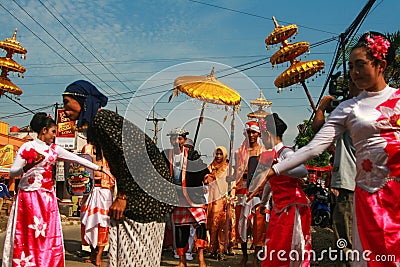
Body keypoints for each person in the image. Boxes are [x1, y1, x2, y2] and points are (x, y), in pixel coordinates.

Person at [250, 32, 399, 266]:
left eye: (360, 65)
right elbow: (313, 148)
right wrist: (272, 171)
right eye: (351, 67)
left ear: (380, 64)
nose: (354, 73)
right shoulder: (349, 108)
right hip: (369, 195)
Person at [62, 80, 177, 266]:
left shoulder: (102, 121)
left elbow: (131, 157)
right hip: (151, 191)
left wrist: (123, 196)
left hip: (145, 194)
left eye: (67, 102)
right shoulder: (100, 124)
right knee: (136, 250)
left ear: (82, 101)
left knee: (135, 252)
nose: (65, 109)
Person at [2, 112, 106, 267]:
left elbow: (76, 158)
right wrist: (28, 166)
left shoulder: (54, 149)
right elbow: (13, 172)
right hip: (28, 197)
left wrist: (98, 167)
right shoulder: (27, 146)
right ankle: (27, 261)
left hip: (46, 198)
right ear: (44, 130)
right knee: (29, 232)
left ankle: (45, 262)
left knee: (46, 233)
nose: (54, 136)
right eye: (52, 132)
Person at [311, 79, 363, 267]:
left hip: (349, 185)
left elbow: (317, 128)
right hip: (363, 184)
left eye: (352, 82)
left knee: (344, 242)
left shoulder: (351, 110)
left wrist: (321, 108)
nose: (348, 87)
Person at [257, 113, 311, 266]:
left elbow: (302, 171)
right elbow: (270, 181)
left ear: (268, 134)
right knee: (274, 247)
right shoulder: (272, 155)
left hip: (292, 207)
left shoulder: (286, 153)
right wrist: (263, 203)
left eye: (262, 135)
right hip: (279, 208)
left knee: (289, 248)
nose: (261, 138)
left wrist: (277, 168)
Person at [164, 128, 209, 267]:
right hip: (177, 197)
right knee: (181, 229)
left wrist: (206, 176)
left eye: (179, 139)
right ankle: (182, 261)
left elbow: (203, 169)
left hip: (194, 196)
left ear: (184, 140)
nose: (176, 141)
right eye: (173, 138)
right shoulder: (166, 155)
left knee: (201, 223)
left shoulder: (192, 155)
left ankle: (200, 257)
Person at [232, 121, 266, 267]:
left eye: (254, 132)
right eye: (249, 132)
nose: (251, 135)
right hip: (242, 191)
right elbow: (235, 173)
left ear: (259, 134)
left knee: (258, 225)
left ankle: (256, 258)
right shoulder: (239, 152)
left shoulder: (264, 151)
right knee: (242, 225)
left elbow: (266, 173)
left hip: (258, 191)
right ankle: (244, 256)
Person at [80, 143, 115, 267]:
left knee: (103, 223)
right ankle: (92, 252)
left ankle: (99, 254)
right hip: (89, 189)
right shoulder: (87, 148)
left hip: (105, 190)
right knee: (87, 220)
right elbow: (80, 167)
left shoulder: (109, 148)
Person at [204, 146, 235, 261]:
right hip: (212, 199)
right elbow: (204, 179)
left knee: (223, 225)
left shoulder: (228, 168)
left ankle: (221, 249)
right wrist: (206, 179)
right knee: (212, 225)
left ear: (225, 155)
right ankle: (213, 249)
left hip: (223, 200)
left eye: (220, 154)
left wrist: (231, 196)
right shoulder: (211, 166)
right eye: (217, 154)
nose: (218, 156)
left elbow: (233, 184)